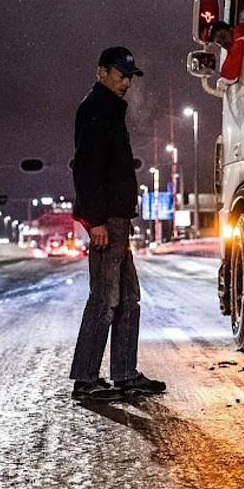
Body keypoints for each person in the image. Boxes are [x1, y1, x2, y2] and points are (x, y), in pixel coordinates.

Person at [69, 46, 166, 400]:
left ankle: (124, 373)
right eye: (120, 74)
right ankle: (86, 379)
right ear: (101, 73)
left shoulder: (110, 110)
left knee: (128, 298)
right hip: (106, 220)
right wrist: (95, 221)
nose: (126, 82)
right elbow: (85, 168)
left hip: (118, 219)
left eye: (129, 76)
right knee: (105, 299)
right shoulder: (95, 108)